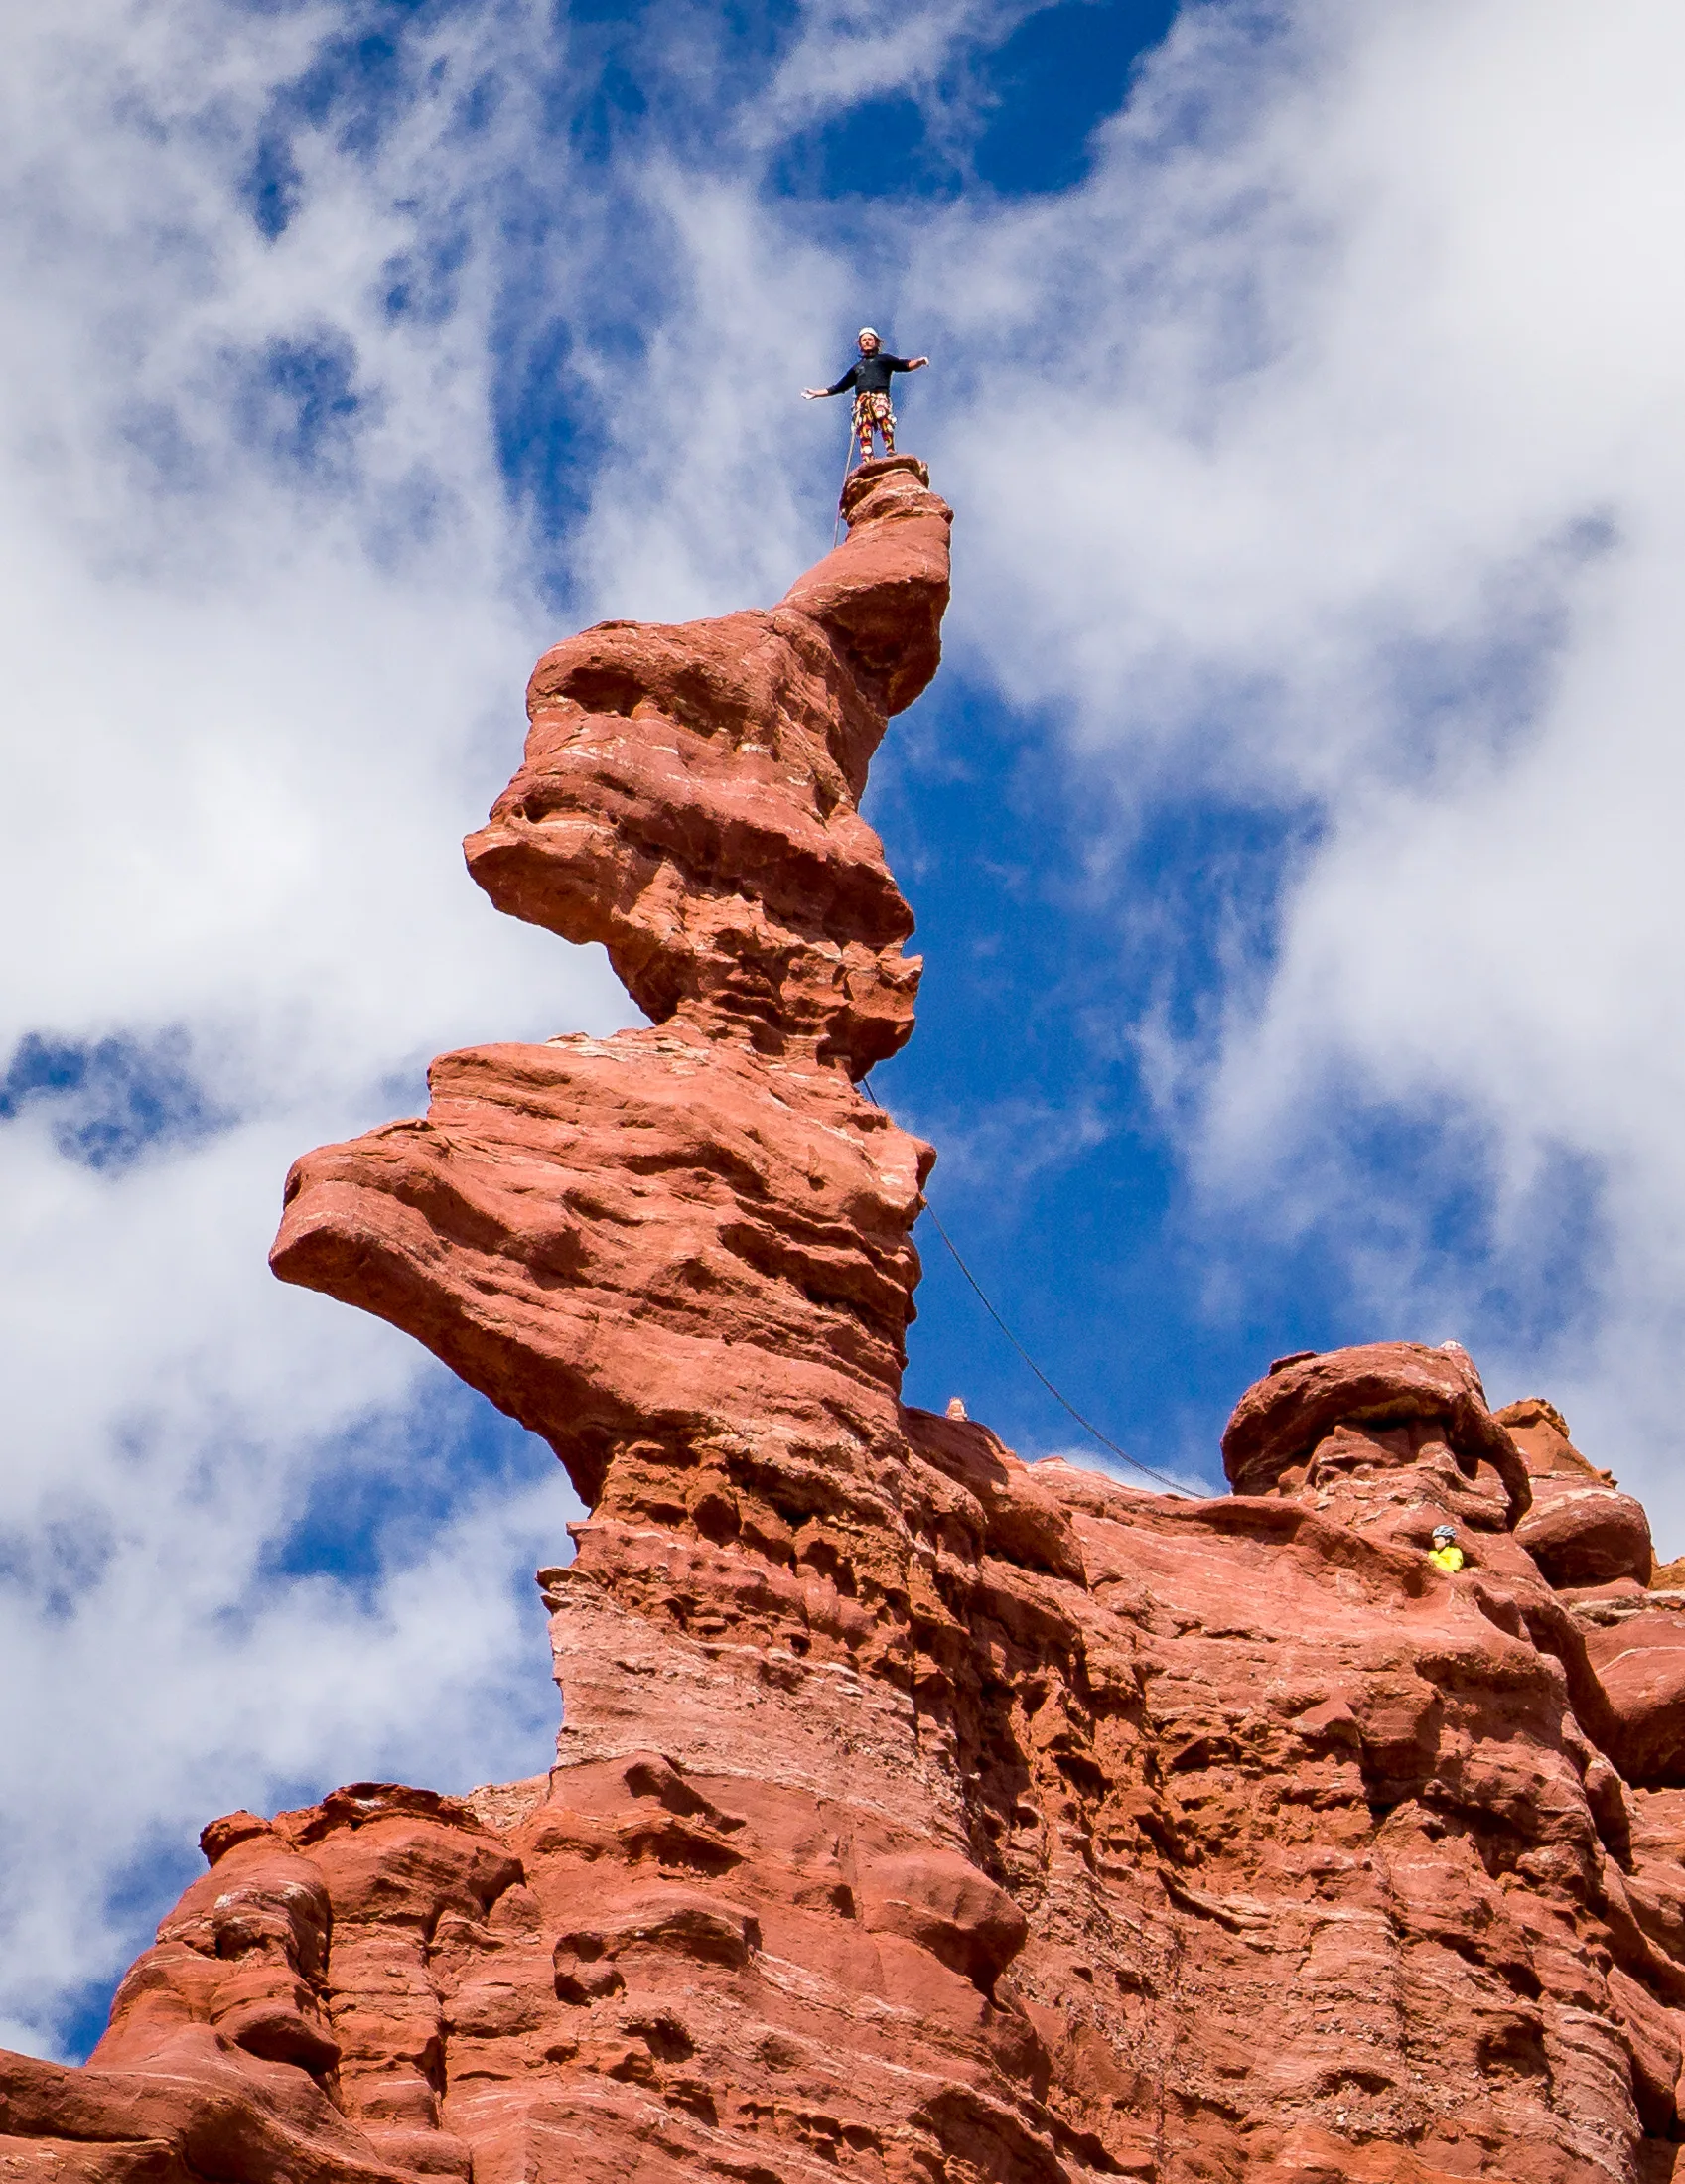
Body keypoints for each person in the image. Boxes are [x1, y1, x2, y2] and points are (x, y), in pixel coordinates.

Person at [804, 329, 929, 463]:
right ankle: (868, 460)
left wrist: (920, 362)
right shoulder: (857, 368)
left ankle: (890, 448)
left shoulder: (884, 360)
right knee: (864, 428)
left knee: (882, 415)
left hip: (879, 396)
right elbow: (839, 387)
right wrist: (816, 394)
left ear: (876, 342)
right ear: (860, 344)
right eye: (864, 340)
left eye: (870, 339)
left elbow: (904, 365)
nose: (867, 342)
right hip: (862, 402)